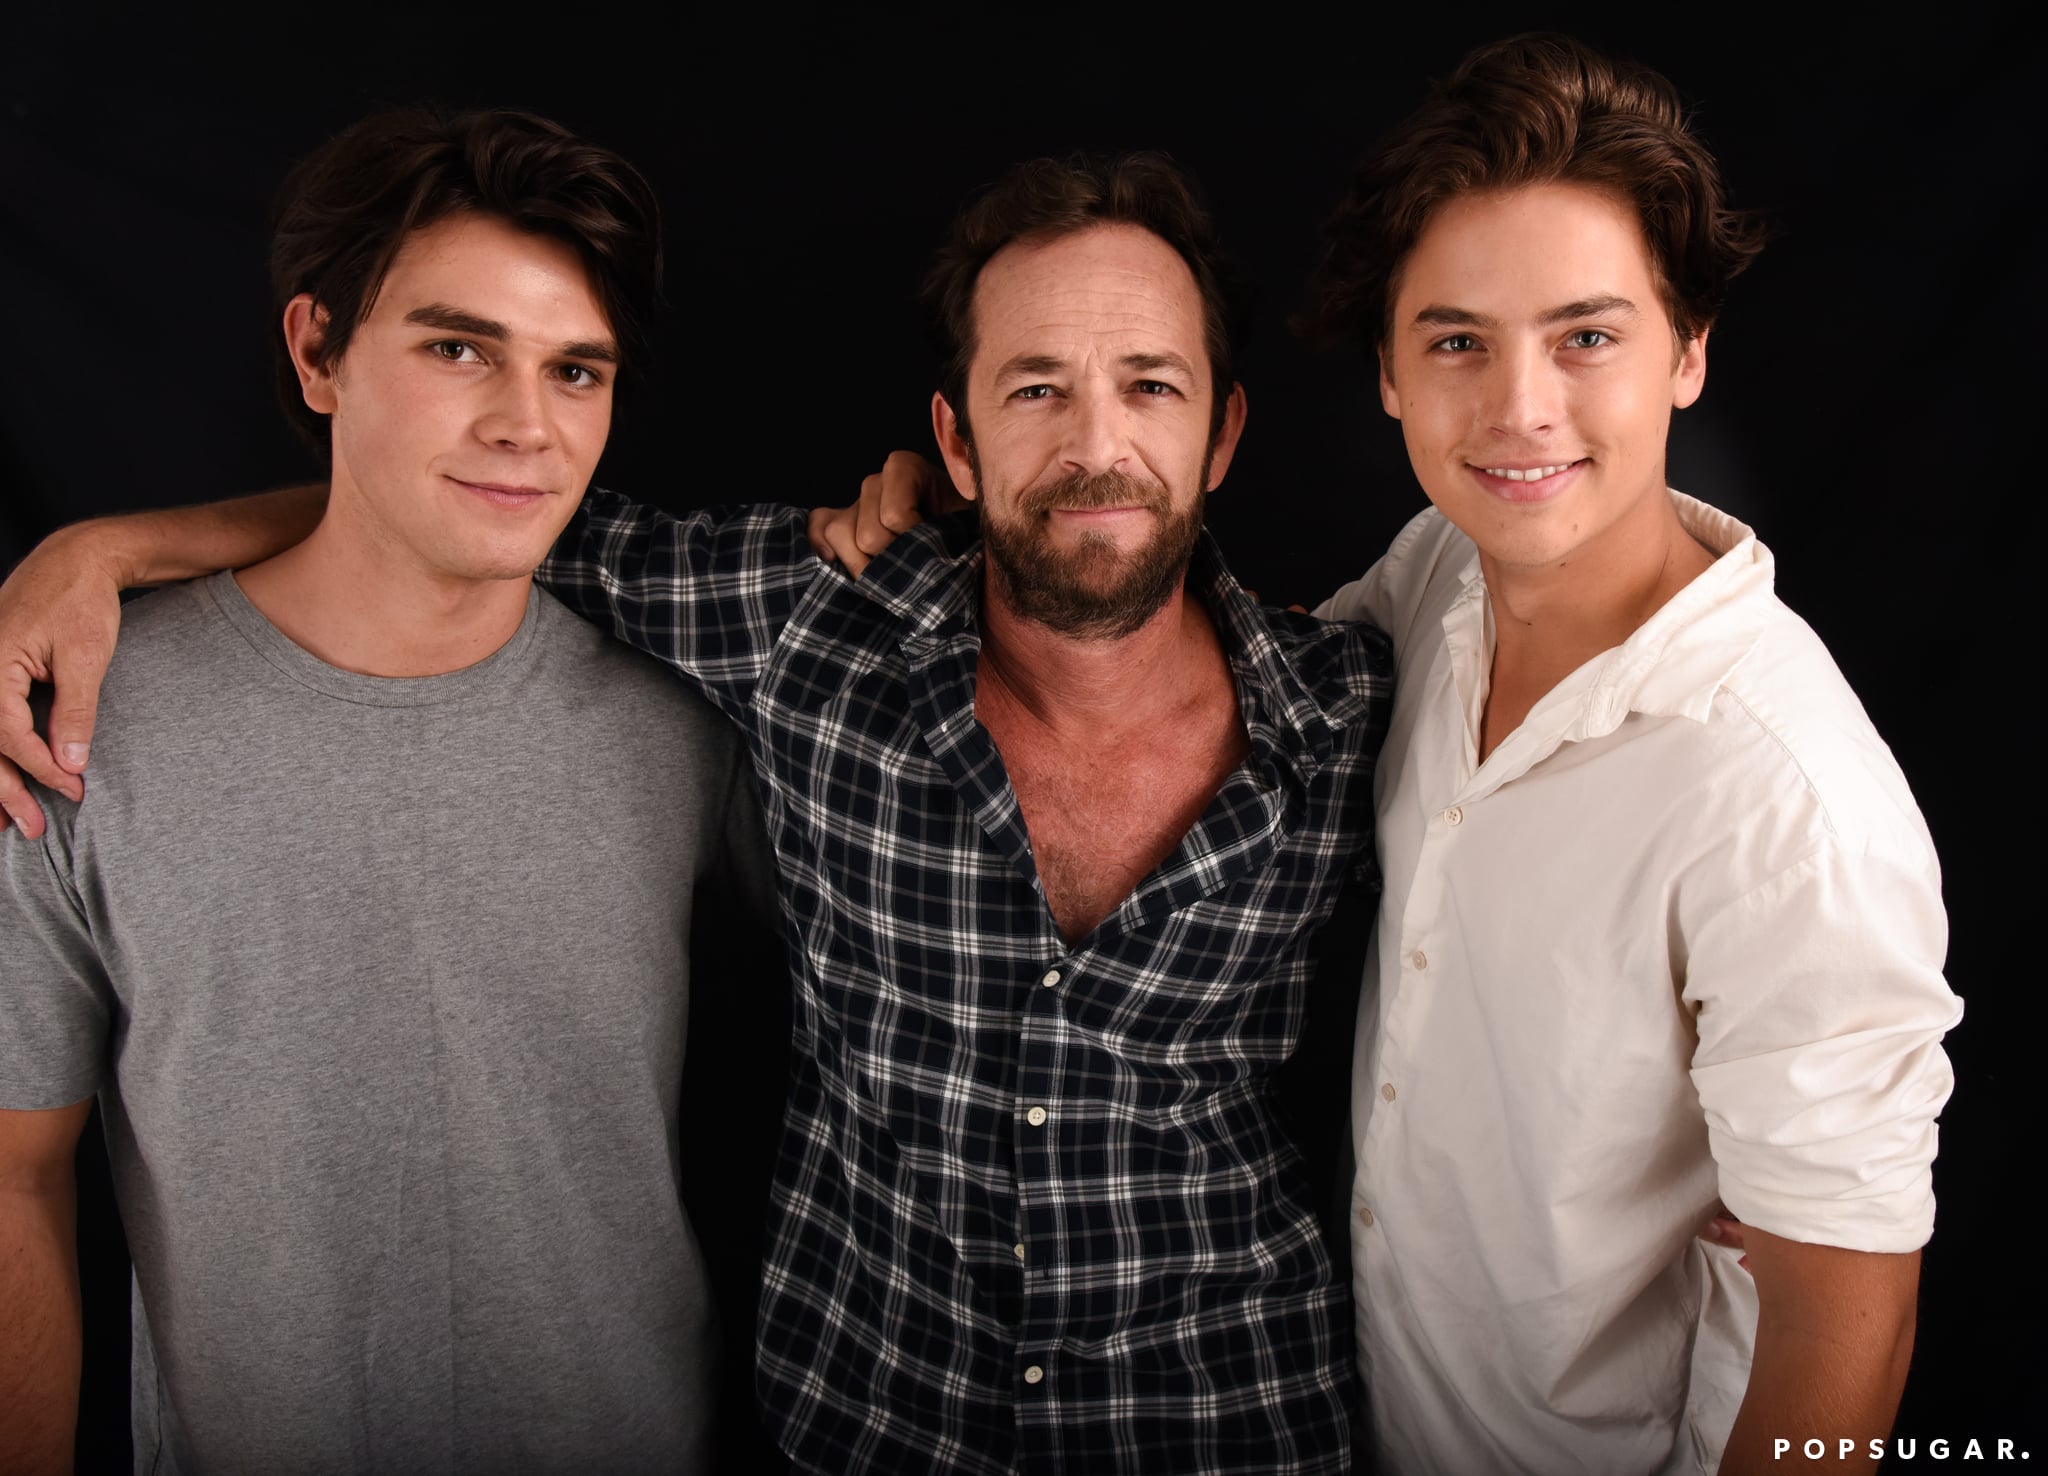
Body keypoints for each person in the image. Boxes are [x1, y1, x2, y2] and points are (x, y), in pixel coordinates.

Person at [0, 153, 1393, 1474]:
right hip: (872, 1419)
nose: (1098, 444)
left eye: (1149, 385)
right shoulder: (804, 632)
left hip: (1236, 1415)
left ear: (1222, 434)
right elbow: (471, 514)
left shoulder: (1351, 712)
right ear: (956, 444)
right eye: (1037, 389)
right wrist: (105, 549)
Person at [815, 33, 1965, 1476]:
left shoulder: (1786, 802)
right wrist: (958, 508)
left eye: (1588, 336)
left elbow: (1845, 1337)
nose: (1521, 407)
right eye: (1458, 341)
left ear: (1689, 352)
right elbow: (1226, 670)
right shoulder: (1441, 577)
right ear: (1389, 375)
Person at [0, 107, 778, 1474]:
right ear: (317, 351)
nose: (525, 425)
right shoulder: (77, 723)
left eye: (578, 372)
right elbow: (15, 1177)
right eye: (456, 345)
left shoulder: (686, 727)